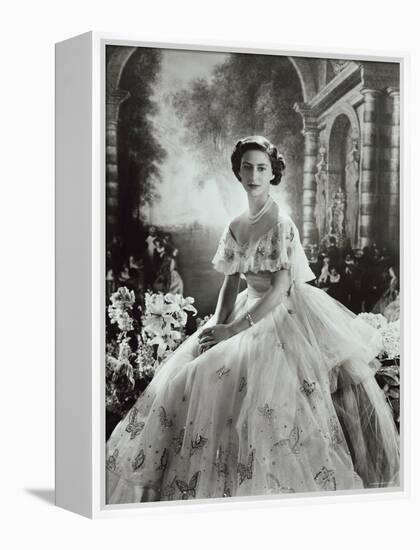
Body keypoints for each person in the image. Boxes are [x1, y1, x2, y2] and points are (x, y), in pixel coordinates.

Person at [106, 136, 399, 504]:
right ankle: (206, 484)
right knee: (189, 372)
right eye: (247, 167)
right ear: (238, 172)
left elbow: (278, 290)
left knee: (258, 394)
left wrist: (233, 330)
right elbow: (229, 283)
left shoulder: (283, 224)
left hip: (282, 315)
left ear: (273, 173)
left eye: (262, 168)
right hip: (246, 309)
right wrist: (215, 327)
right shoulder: (235, 226)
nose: (254, 175)